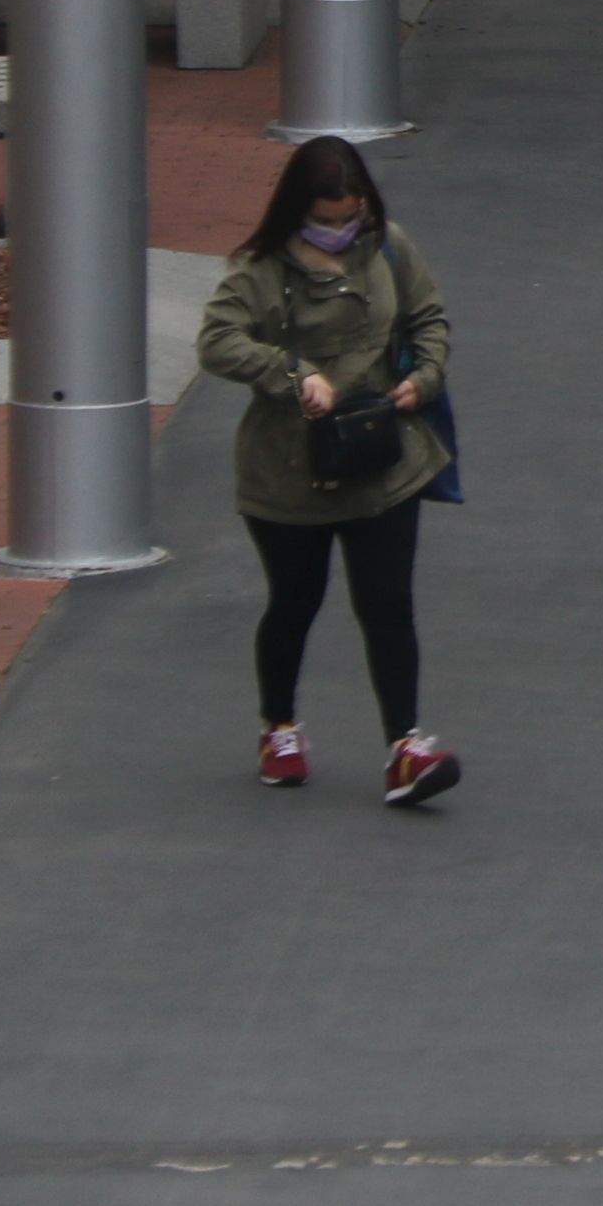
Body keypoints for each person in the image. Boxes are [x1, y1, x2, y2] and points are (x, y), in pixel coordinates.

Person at [194, 137, 459, 807]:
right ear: (296, 212)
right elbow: (219, 341)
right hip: (289, 473)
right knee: (294, 603)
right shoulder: (259, 270)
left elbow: (428, 317)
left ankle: (406, 747)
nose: (340, 231)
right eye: (325, 219)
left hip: (381, 461)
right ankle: (278, 728)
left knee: (388, 605)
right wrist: (293, 373)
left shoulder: (387, 246)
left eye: (350, 216)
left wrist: (423, 379)